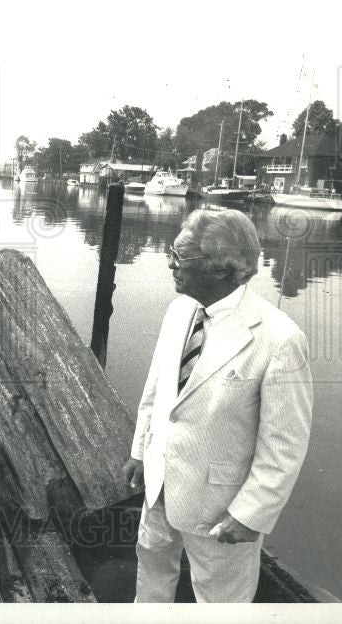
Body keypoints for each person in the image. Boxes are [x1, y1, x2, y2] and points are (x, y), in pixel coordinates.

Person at [123, 208, 313, 603]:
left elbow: (284, 445)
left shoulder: (279, 340)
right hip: (160, 485)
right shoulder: (179, 311)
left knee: (220, 599)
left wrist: (250, 514)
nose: (169, 262)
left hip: (220, 504)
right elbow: (157, 389)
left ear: (221, 268)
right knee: (152, 568)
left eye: (181, 255)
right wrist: (141, 452)